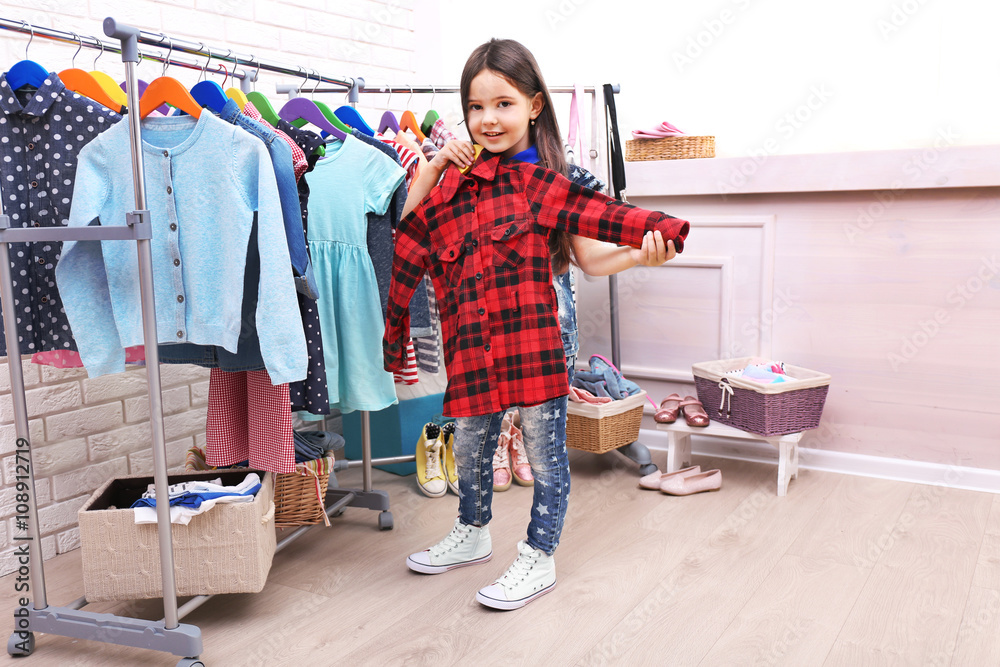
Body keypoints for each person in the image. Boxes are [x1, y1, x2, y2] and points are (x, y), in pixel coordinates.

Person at [382, 38, 689, 610]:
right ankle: (471, 534)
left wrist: (649, 245)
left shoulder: (548, 178)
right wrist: (434, 165)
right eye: (476, 107)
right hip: (471, 342)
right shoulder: (453, 180)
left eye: (502, 104)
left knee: (547, 452)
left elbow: (595, 252)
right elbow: (408, 236)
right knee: (473, 443)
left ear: (534, 105)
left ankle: (537, 557)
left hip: (537, 336)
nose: (487, 119)